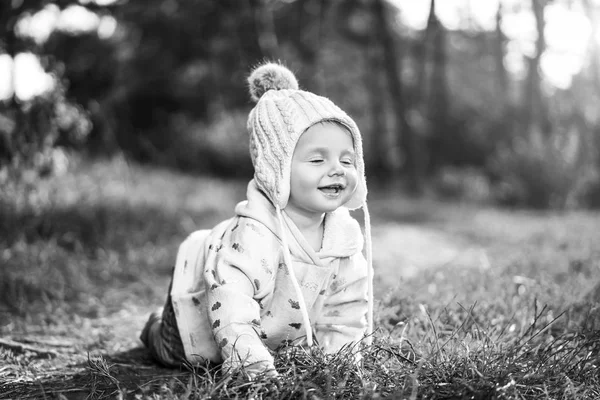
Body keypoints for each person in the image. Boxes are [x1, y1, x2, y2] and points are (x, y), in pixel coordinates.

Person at [140, 62, 374, 378]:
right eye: (318, 159)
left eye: (347, 160)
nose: (337, 169)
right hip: (204, 318)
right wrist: (252, 367)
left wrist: (341, 365)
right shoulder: (254, 234)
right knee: (173, 350)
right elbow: (231, 306)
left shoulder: (343, 238)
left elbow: (345, 310)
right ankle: (156, 324)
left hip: (272, 331)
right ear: (275, 169)